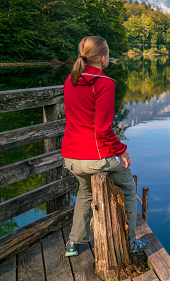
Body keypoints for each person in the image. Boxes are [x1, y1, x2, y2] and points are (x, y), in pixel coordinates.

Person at [61, 36, 147, 256]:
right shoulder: (104, 83)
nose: (108, 58)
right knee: (128, 186)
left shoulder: (70, 81)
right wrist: (122, 150)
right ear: (102, 57)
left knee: (85, 192)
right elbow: (102, 129)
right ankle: (129, 242)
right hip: (95, 158)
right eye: (108, 54)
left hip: (71, 158)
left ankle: (73, 243)